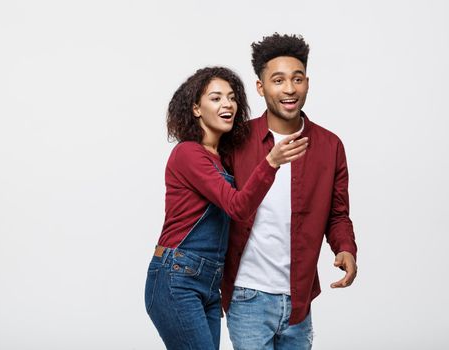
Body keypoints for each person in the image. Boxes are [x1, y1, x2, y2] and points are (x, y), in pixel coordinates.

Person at [144, 66, 309, 350]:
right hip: (177, 277)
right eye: (216, 98)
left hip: (208, 283)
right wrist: (270, 163)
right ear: (196, 109)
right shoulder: (188, 153)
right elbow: (237, 207)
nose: (228, 104)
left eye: (232, 98)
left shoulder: (221, 159)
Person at [221, 33, 358, 350]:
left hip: (299, 299)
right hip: (247, 294)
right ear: (261, 87)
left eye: (297, 79)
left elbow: (337, 214)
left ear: (307, 83)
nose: (289, 89)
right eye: (278, 80)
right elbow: (221, 205)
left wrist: (346, 248)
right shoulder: (236, 140)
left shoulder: (329, 145)